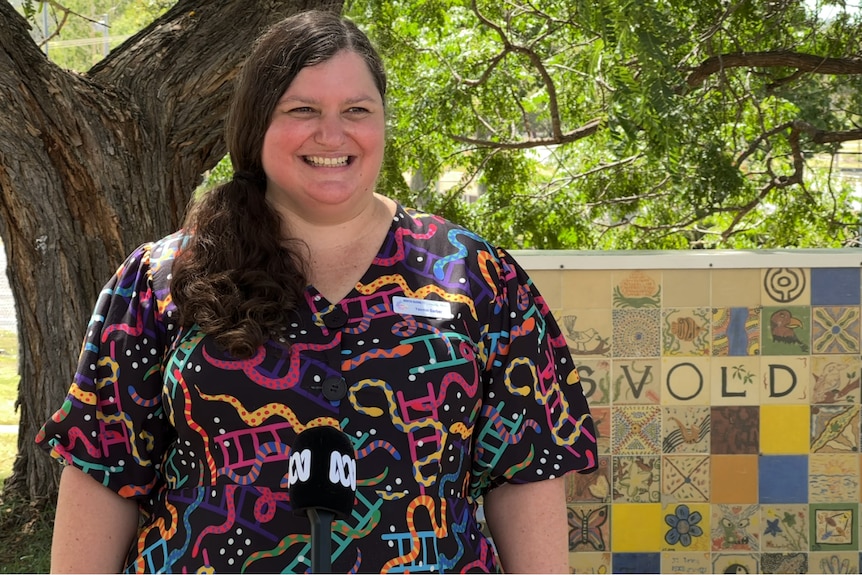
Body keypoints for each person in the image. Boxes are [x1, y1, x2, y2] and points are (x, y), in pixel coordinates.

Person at [36, 9, 597, 574]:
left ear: (381, 123)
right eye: (302, 110)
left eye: (357, 110)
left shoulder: (475, 274)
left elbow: (525, 471)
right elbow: (102, 467)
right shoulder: (163, 278)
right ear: (256, 125)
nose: (333, 134)